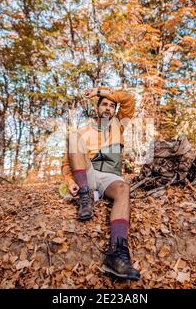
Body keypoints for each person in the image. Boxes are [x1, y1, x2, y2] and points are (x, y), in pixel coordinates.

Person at [61, 86, 140, 280]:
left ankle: (117, 254)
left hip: (110, 178)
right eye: (104, 104)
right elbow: (66, 162)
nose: (108, 108)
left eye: (112, 105)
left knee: (124, 188)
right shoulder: (84, 131)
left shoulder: (118, 124)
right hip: (88, 175)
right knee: (73, 138)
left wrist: (100, 92)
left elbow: (129, 100)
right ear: (96, 109)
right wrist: (71, 181)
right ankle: (85, 198)